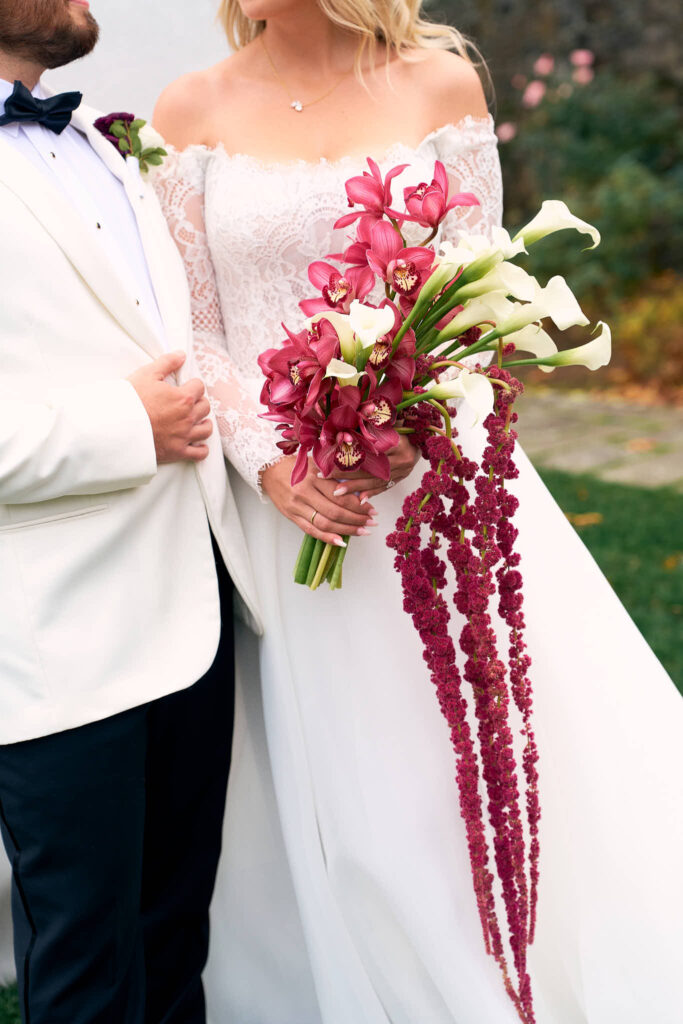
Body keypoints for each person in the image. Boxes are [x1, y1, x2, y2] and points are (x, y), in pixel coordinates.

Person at [152, 2, 683, 1022]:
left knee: (491, 746)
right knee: (356, 786)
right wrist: (273, 464)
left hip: (438, 492)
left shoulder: (437, 84)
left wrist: (409, 417)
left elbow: (484, 292)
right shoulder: (189, 109)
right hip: (296, 509)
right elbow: (200, 332)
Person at [0, 1, 264, 1021]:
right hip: (56, 636)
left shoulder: (103, 141)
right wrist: (124, 425)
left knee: (172, 948)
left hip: (195, 614)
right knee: (86, 971)